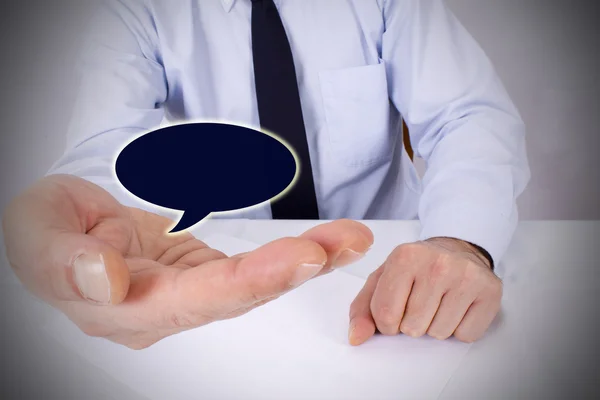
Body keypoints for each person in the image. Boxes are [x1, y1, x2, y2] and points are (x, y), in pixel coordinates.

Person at [1, 0, 529, 350]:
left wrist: (460, 242)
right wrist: (91, 213)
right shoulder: (134, 9)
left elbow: (467, 115)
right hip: (220, 275)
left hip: (396, 273)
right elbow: (105, 147)